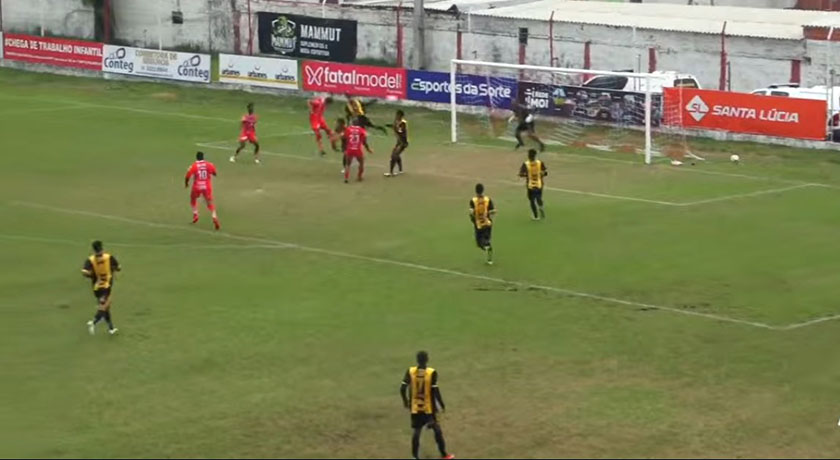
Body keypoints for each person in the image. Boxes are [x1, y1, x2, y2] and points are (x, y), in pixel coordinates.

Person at [400, 351, 454, 460]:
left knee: (417, 431)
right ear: (427, 360)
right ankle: (444, 455)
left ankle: (415, 456)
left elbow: (402, 388)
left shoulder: (410, 371)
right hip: (428, 408)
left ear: (417, 360)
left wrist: (406, 401)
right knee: (437, 430)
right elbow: (435, 391)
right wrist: (441, 404)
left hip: (415, 407)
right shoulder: (431, 372)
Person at [82, 240, 121, 336]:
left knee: (106, 307)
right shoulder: (108, 257)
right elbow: (119, 267)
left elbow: (84, 272)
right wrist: (114, 269)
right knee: (105, 305)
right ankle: (94, 322)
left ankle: (111, 328)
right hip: (106, 286)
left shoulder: (90, 260)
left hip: (96, 288)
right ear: (102, 248)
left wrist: (90, 274)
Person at [185, 151, 220, 230]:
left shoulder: (194, 166)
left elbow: (187, 176)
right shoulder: (209, 164)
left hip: (197, 186)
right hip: (207, 187)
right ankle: (214, 217)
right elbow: (214, 173)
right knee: (209, 203)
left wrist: (186, 184)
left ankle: (195, 214)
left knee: (193, 199)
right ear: (203, 157)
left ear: (196, 158)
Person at [469, 183, 495, 265]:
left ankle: (486, 247)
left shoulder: (473, 200)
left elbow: (471, 212)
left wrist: (472, 219)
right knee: (486, 239)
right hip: (488, 223)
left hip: (479, 225)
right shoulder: (488, 199)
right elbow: (492, 211)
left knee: (479, 243)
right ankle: (489, 259)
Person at [518, 148, 547, 220]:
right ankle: (540, 206)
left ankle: (536, 216)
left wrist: (525, 175)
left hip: (530, 185)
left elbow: (521, 174)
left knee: (532, 200)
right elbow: (545, 173)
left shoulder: (526, 164)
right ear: (535, 155)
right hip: (540, 184)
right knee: (539, 197)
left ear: (528, 156)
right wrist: (541, 174)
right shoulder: (540, 163)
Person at [343, 119, 373, 183]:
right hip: (358, 149)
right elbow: (364, 141)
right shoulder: (361, 130)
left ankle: (346, 178)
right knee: (361, 163)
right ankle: (359, 176)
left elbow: (345, 139)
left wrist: (345, 148)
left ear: (352, 123)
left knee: (348, 164)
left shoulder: (348, 129)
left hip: (349, 149)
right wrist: (368, 149)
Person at [384, 110, 409, 177]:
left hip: (402, 143)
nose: (396, 116)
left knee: (393, 156)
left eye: (398, 115)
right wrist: (389, 126)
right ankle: (400, 170)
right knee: (396, 155)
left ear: (401, 116)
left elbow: (401, 132)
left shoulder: (403, 123)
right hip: (399, 142)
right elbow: (395, 126)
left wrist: (395, 129)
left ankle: (391, 173)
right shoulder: (396, 121)